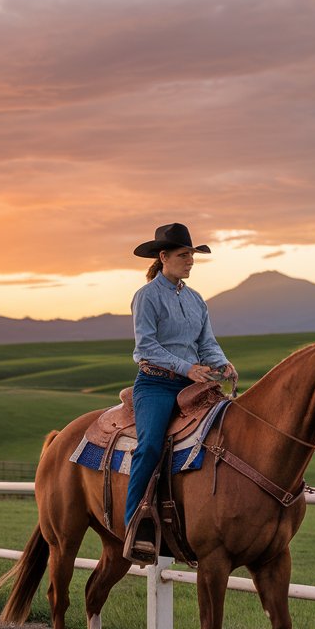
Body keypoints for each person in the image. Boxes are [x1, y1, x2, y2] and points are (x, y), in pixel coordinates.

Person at [124, 223, 237, 563]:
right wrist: (186, 368)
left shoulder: (195, 299)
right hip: (157, 383)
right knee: (150, 446)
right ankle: (133, 524)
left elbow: (206, 343)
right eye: (183, 255)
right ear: (163, 257)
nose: (190, 261)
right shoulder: (146, 296)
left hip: (194, 384)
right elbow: (147, 347)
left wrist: (222, 362)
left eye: (191, 255)